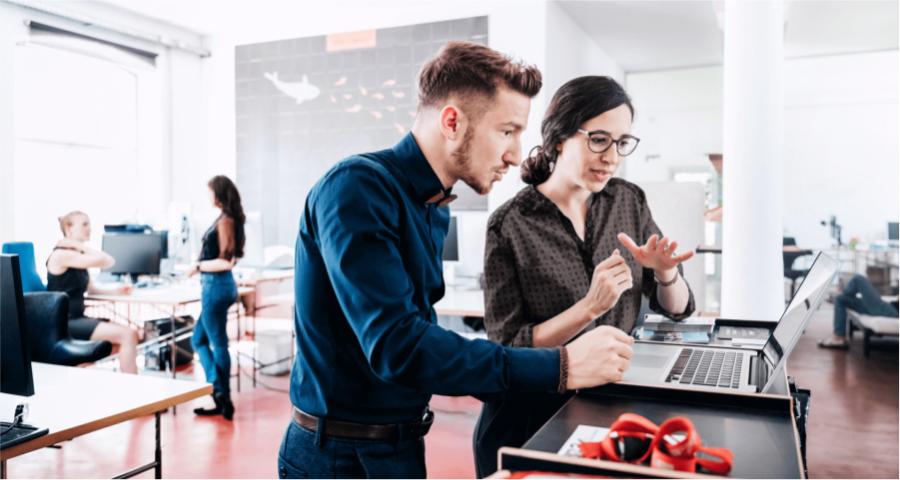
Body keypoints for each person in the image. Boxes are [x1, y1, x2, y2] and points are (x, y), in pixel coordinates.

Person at [278, 42, 635, 479]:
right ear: (452, 121)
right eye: (507, 131)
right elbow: (399, 346)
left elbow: (424, 341)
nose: (516, 154)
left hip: (399, 444)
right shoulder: (356, 189)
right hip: (339, 458)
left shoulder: (433, 206)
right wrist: (561, 367)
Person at [473, 76, 697, 477]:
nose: (612, 156)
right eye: (598, 139)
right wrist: (589, 308)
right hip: (531, 419)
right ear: (559, 138)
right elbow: (508, 346)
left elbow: (677, 310)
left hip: (612, 408)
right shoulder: (509, 224)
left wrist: (666, 274)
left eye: (622, 142)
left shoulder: (628, 200)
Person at [46, 211, 139, 373]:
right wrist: (77, 245)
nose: (89, 228)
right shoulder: (61, 255)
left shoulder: (76, 256)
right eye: (84, 224)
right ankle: (134, 391)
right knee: (128, 335)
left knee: (116, 346)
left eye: (89, 224)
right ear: (69, 230)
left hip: (77, 319)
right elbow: (108, 260)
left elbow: (92, 290)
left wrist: (117, 291)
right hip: (64, 322)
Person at [188, 175, 245, 420]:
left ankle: (221, 394)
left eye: (210, 191)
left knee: (218, 343)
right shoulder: (227, 219)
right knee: (198, 339)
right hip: (219, 287)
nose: (208, 195)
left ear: (218, 194)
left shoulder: (226, 221)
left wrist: (198, 266)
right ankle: (219, 391)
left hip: (216, 287)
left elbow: (225, 261)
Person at [818, 273, 899, 349]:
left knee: (858, 279)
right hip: (889, 307)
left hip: (891, 311)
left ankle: (843, 292)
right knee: (840, 299)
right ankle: (839, 337)